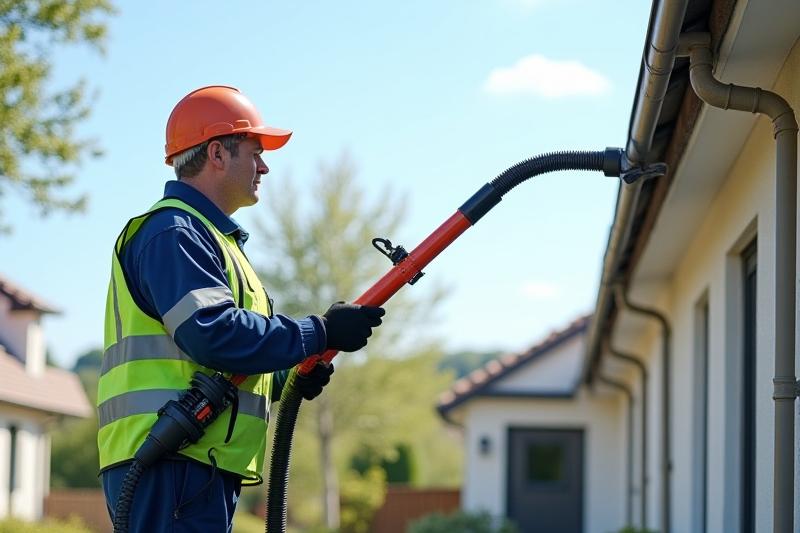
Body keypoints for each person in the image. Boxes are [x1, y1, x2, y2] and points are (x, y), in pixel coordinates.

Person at [98, 85, 385, 532]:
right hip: (170, 464)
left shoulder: (210, 240)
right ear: (216, 153)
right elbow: (211, 333)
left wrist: (289, 377)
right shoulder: (173, 232)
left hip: (192, 465)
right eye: (255, 151)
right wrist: (319, 333)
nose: (264, 166)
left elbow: (226, 355)